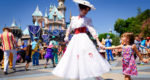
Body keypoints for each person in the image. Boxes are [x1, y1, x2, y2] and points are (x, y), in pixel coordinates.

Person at [52, 0, 111, 80]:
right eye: (85, 9)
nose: (86, 12)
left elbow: (92, 30)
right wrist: (66, 36)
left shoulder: (87, 19)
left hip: (83, 39)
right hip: (75, 39)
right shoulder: (73, 18)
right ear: (80, 8)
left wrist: (98, 41)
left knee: (88, 57)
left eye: (87, 10)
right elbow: (69, 29)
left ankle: (97, 76)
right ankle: (76, 77)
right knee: (75, 58)